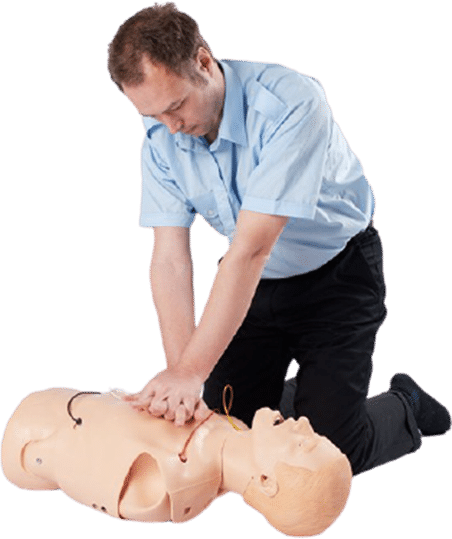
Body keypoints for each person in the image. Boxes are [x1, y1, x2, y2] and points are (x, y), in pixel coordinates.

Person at [105, 2, 451, 475]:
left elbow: (250, 248)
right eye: (151, 115)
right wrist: (182, 377)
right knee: (222, 427)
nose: (170, 127)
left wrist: (191, 372)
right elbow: (169, 259)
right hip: (252, 288)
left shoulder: (291, 102)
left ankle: (406, 404)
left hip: (337, 277)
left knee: (327, 458)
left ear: (204, 63)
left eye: (176, 106)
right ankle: (298, 395)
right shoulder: (162, 132)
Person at [1, 386, 353, 537]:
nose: (304, 425)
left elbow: (71, 460)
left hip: (20, 440)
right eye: (316, 436)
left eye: (303, 445)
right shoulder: (234, 429)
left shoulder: (161, 489)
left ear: (266, 481)